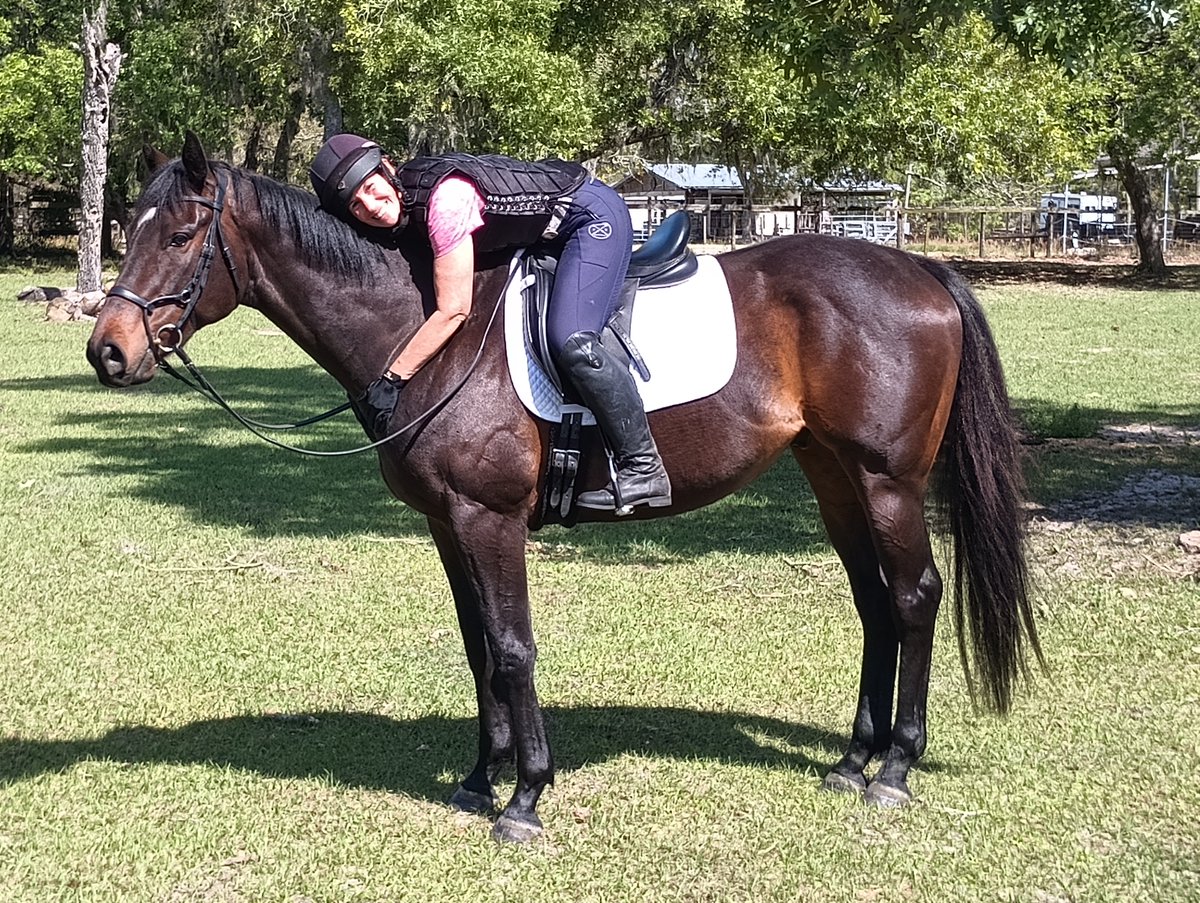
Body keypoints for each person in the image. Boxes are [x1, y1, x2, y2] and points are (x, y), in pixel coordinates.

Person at [308, 134, 671, 513]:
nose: (371, 206)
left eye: (370, 187)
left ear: (387, 168)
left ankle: (642, 468)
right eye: (355, 204)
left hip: (590, 218)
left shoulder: (443, 203)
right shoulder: (405, 200)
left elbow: (454, 311)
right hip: (544, 233)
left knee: (571, 340)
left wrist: (391, 380)